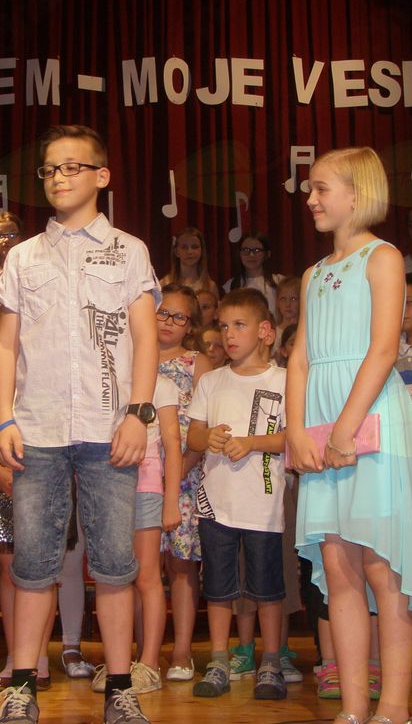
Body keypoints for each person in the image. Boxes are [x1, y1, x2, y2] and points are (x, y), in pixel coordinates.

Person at [0, 124, 159, 724]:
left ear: (101, 176)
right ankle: (22, 687)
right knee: (33, 563)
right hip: (36, 432)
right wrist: (3, 418)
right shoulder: (23, 256)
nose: (58, 178)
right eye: (49, 169)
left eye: (71, 167)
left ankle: (120, 688)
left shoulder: (129, 250)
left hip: (109, 430)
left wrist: (138, 413)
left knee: (114, 564)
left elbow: (145, 338)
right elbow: (5, 343)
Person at [288, 146, 412, 724]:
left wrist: (344, 431)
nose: (311, 199)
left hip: (370, 418)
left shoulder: (384, 257)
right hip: (324, 424)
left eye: (321, 188)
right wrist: (297, 430)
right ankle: (353, 708)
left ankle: (393, 708)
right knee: (339, 567)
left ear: (357, 194)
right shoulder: (314, 274)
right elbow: (300, 358)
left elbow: (382, 350)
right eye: (311, 188)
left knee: (383, 565)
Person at [186, 288, 288, 700]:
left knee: (267, 588)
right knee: (218, 587)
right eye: (224, 325)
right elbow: (193, 434)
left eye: (239, 325)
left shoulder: (284, 380)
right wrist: (207, 436)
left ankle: (271, 662)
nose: (229, 334)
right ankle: (218, 660)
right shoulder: (212, 380)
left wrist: (252, 443)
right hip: (217, 504)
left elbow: (292, 437)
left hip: (263, 505)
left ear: (265, 331)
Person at [0, 362, 62, 692]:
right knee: (11, 572)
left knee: (44, 571)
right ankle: (15, 658)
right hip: (2, 477)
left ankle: (39, 658)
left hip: (48, 473)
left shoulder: (54, 361)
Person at [152, 284, 210, 683]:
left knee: (182, 565)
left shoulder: (197, 362)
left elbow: (203, 421)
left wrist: (181, 467)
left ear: (190, 325)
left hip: (185, 477)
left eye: (179, 317)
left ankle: (182, 650)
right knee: (142, 568)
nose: (169, 322)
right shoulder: (134, 356)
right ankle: (146, 650)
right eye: (163, 313)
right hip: (138, 477)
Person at [126, 374, 182, 692]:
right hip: (108, 486)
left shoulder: (162, 385)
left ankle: (149, 662)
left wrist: (170, 501)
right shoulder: (108, 374)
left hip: (146, 486)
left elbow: (173, 446)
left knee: (147, 576)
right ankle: (124, 661)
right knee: (118, 578)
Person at [222, 232, 283, 307]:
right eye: (246, 250)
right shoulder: (231, 285)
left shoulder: (279, 282)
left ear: (267, 254)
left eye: (257, 250)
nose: (251, 255)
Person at [161, 227, 219, 297]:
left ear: (201, 250)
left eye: (195, 247)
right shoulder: (165, 283)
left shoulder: (210, 287)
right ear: (176, 252)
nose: (189, 252)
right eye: (184, 247)